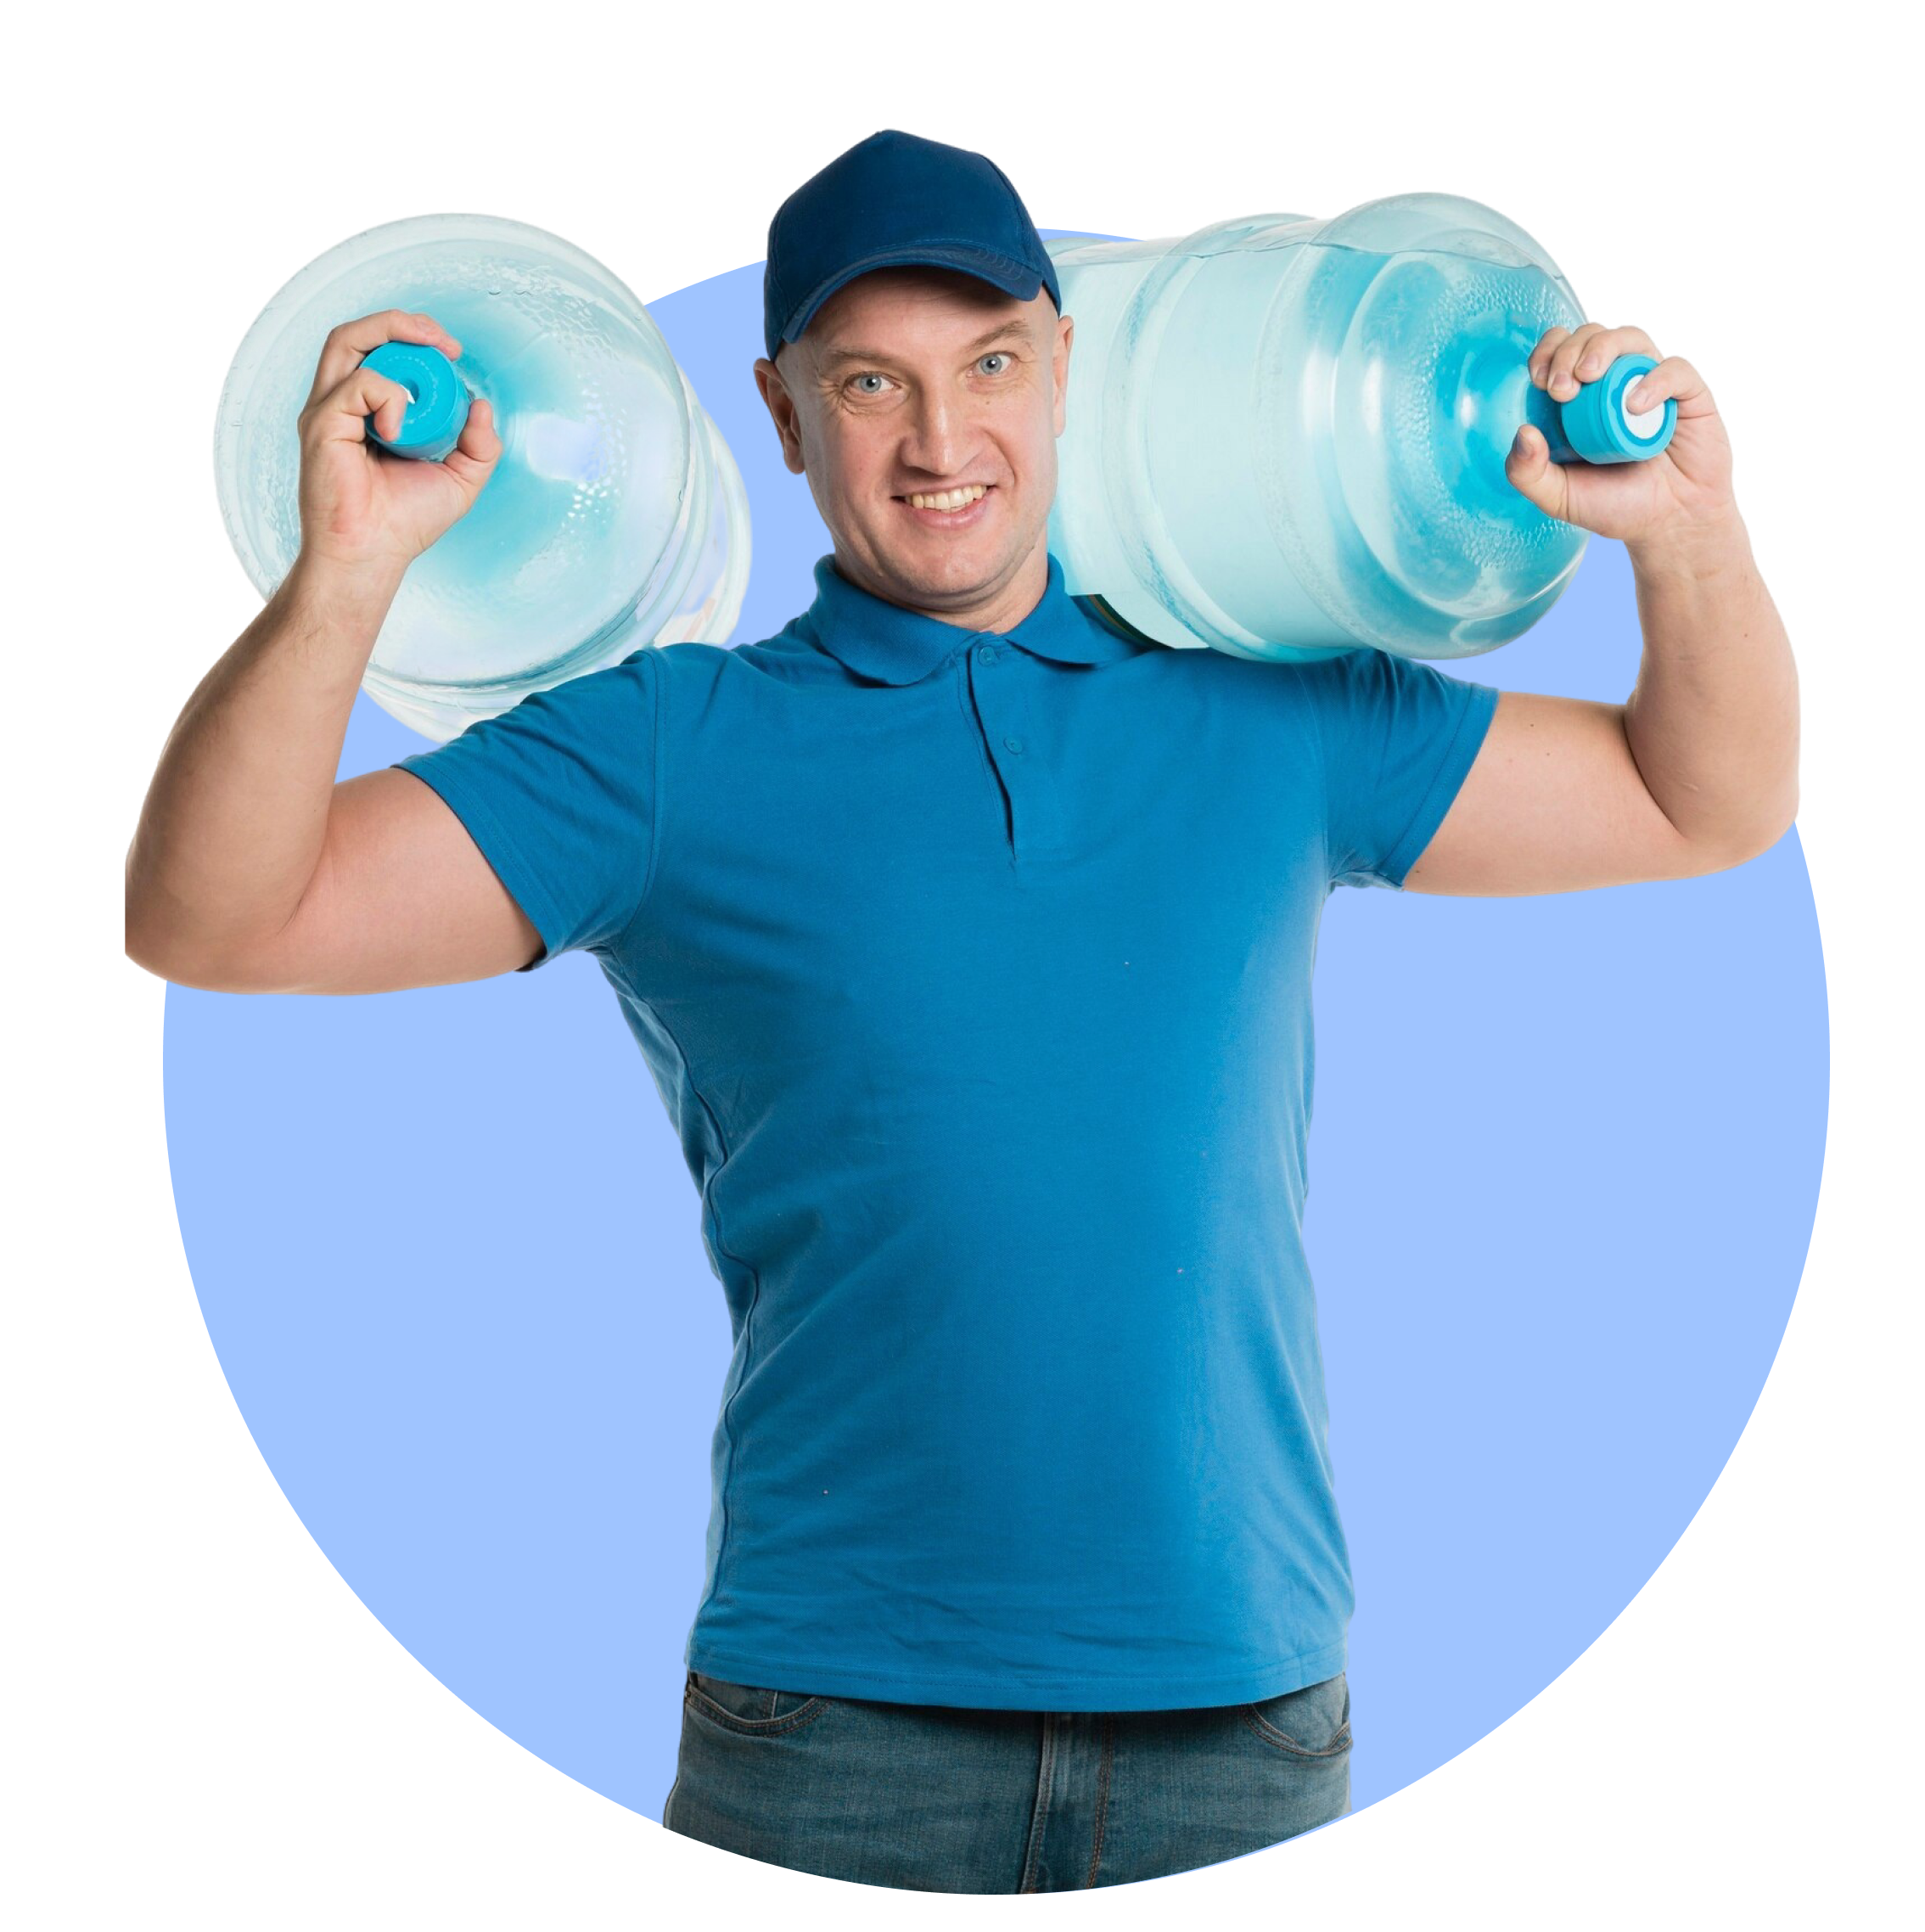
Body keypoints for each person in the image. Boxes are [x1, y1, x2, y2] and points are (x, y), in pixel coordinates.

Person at [125, 132, 1800, 1893]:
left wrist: (1687, 532)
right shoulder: (661, 751)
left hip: (1240, 1710)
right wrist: (349, 571)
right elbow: (211, 915)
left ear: (1066, 365)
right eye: (872, 383)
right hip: (840, 1723)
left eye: (990, 363)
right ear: (780, 412)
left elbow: (1712, 799)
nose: (941, 443)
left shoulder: (1272, 712)